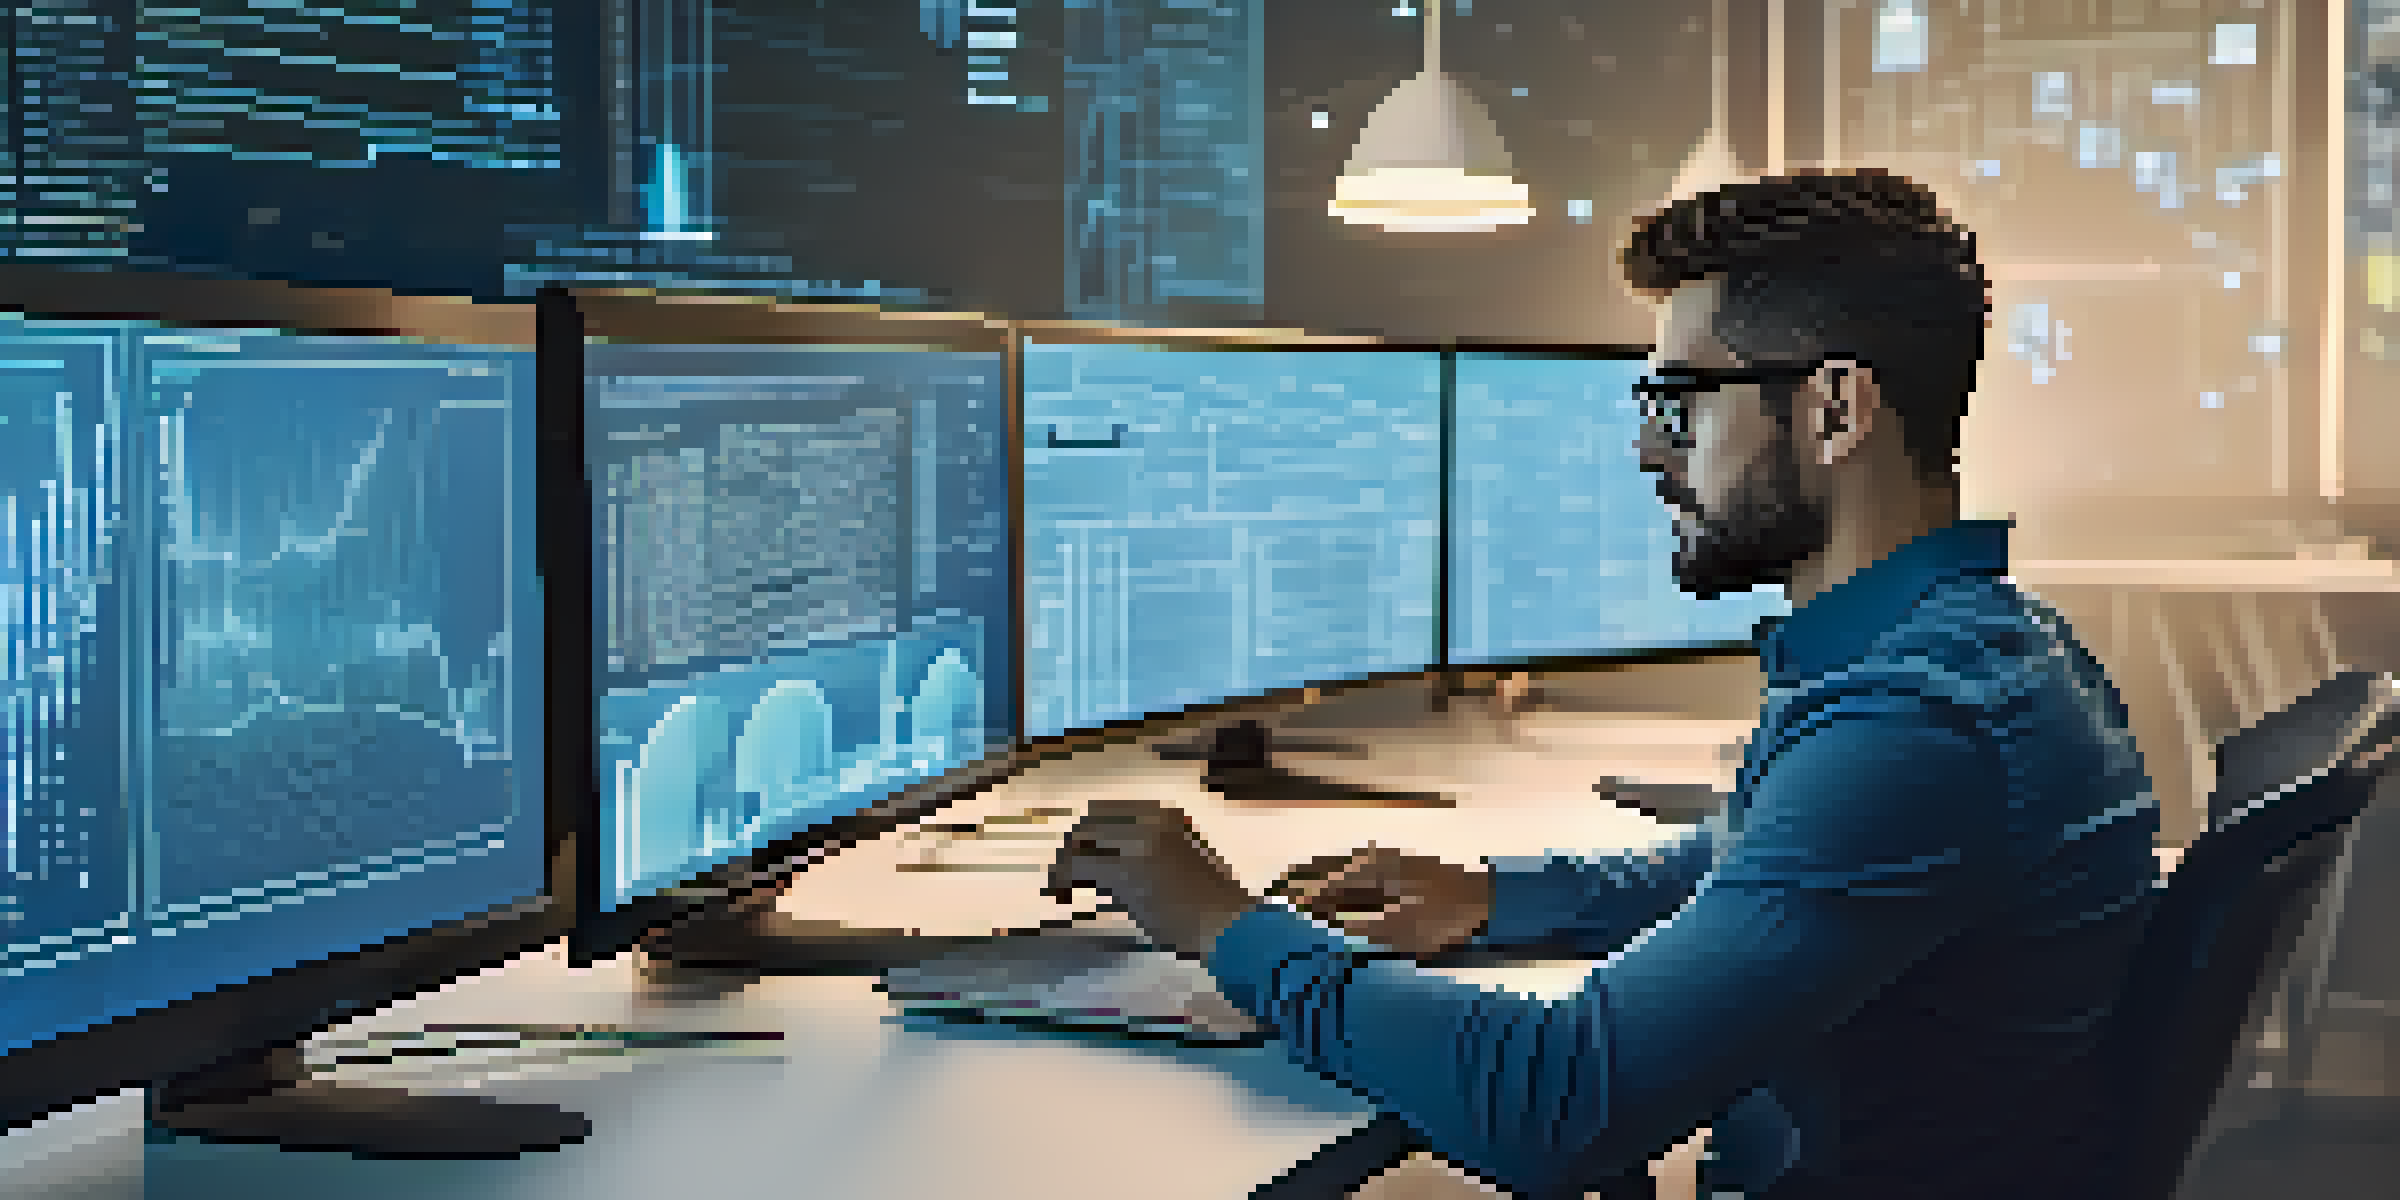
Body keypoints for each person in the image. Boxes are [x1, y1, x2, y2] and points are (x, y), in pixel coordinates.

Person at [1046, 168, 2161, 1200]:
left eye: (1680, 403)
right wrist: (1494, 897)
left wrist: (1225, 925)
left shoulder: (1917, 727)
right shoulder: (1986, 649)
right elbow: (1754, 860)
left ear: (1835, 411)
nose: (1647, 452)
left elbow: (1557, 1103)